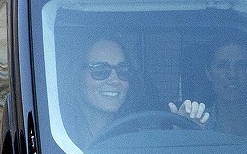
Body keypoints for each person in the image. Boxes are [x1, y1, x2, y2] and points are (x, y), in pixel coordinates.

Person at [65, 38, 208, 147]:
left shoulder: (144, 135)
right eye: (100, 70)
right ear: (76, 75)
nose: (115, 80)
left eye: (123, 71)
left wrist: (182, 135)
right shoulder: (56, 133)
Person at [169, 39, 247, 140]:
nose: (232, 74)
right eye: (222, 65)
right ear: (209, 73)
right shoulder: (194, 120)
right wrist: (182, 135)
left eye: (242, 65)